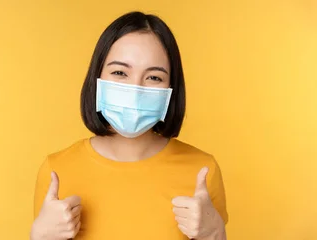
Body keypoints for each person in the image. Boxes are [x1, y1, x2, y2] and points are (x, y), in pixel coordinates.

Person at [30, 11, 228, 240]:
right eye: (120, 73)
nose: (135, 89)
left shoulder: (202, 172)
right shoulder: (56, 171)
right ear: (98, 78)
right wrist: (39, 237)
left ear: (170, 90)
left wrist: (216, 234)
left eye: (154, 77)